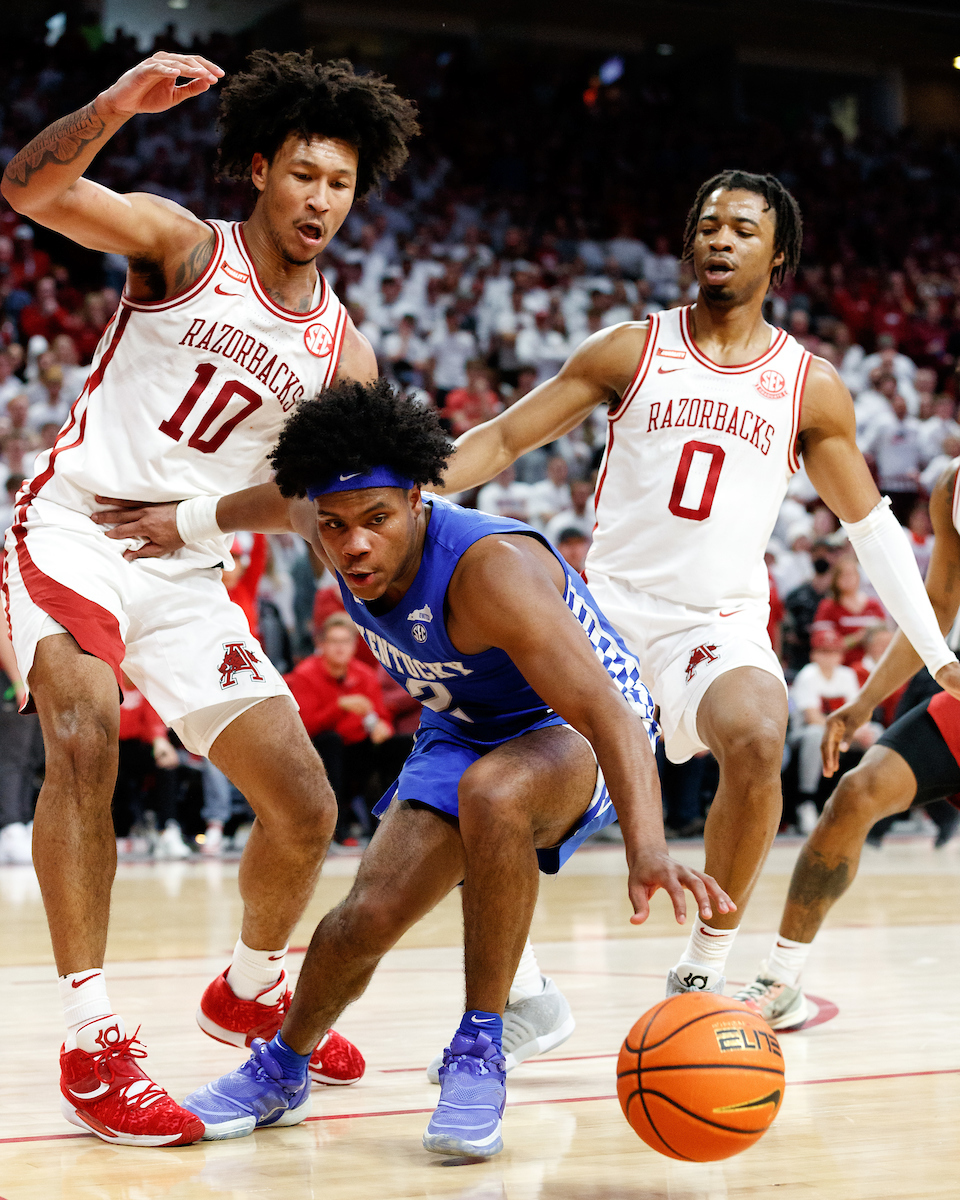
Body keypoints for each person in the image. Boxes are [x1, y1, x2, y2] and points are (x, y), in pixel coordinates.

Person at [0, 48, 417, 1145]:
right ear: (261, 170)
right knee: (83, 736)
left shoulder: (345, 356)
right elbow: (31, 192)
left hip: (185, 566)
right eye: (304, 175)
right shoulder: (186, 248)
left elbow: (320, 509)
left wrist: (199, 527)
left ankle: (248, 990)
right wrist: (114, 107)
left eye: (341, 183)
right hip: (79, 527)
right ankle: (92, 1041)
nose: (321, 199)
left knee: (306, 807)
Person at [421, 170, 960, 1002]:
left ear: (779, 256)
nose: (721, 239)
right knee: (488, 787)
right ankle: (517, 991)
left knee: (756, 735)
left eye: (744, 229)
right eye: (709, 225)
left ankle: (707, 957)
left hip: (715, 623)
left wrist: (935, 652)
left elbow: (873, 530)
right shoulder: (628, 350)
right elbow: (499, 442)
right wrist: (406, 489)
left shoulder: (807, 386)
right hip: (603, 614)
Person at [180, 378, 731, 1156]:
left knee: (495, 793)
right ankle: (282, 1068)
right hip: (465, 724)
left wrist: (646, 847)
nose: (354, 544)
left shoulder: (489, 569)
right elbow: (276, 504)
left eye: (375, 520)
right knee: (367, 915)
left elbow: (607, 712)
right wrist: (178, 520)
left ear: (415, 499)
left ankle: (482, 1044)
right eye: (335, 527)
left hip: (573, 725)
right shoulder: (330, 520)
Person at [734, 458, 960, 1028]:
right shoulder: (953, 484)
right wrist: (863, 701)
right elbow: (934, 609)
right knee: (856, 795)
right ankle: (782, 978)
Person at [284, 611, 394, 844]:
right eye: (334, 642)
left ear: (354, 645)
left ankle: (389, 827)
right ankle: (337, 828)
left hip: (356, 748)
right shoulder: (306, 674)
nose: (340, 648)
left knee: (395, 746)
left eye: (345, 642)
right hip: (320, 751)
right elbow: (305, 727)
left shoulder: (364, 674)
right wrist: (340, 706)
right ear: (321, 644)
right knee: (331, 742)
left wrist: (383, 728)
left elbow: (382, 716)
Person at [812, 558, 886, 670]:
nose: (848, 579)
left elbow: (885, 638)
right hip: (841, 667)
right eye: (843, 575)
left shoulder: (873, 605)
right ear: (836, 578)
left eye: (851, 574)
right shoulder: (828, 607)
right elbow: (822, 644)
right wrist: (858, 638)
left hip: (871, 668)